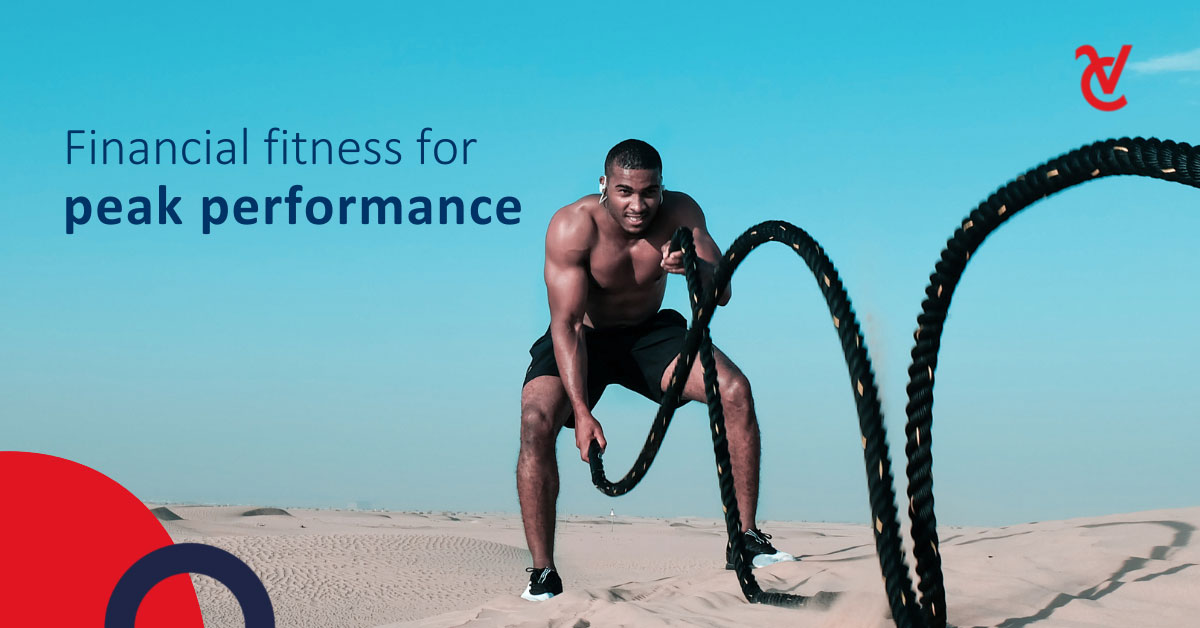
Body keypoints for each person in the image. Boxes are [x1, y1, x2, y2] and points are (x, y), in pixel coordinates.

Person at [516, 139, 794, 602]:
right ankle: (543, 573)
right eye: (625, 191)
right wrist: (582, 412)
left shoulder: (681, 213)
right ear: (604, 185)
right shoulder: (572, 227)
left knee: (735, 391)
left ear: (662, 189)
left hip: (649, 334)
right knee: (535, 422)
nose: (638, 205)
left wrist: (695, 269)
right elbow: (564, 324)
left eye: (649, 192)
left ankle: (745, 538)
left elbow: (720, 293)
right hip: (583, 337)